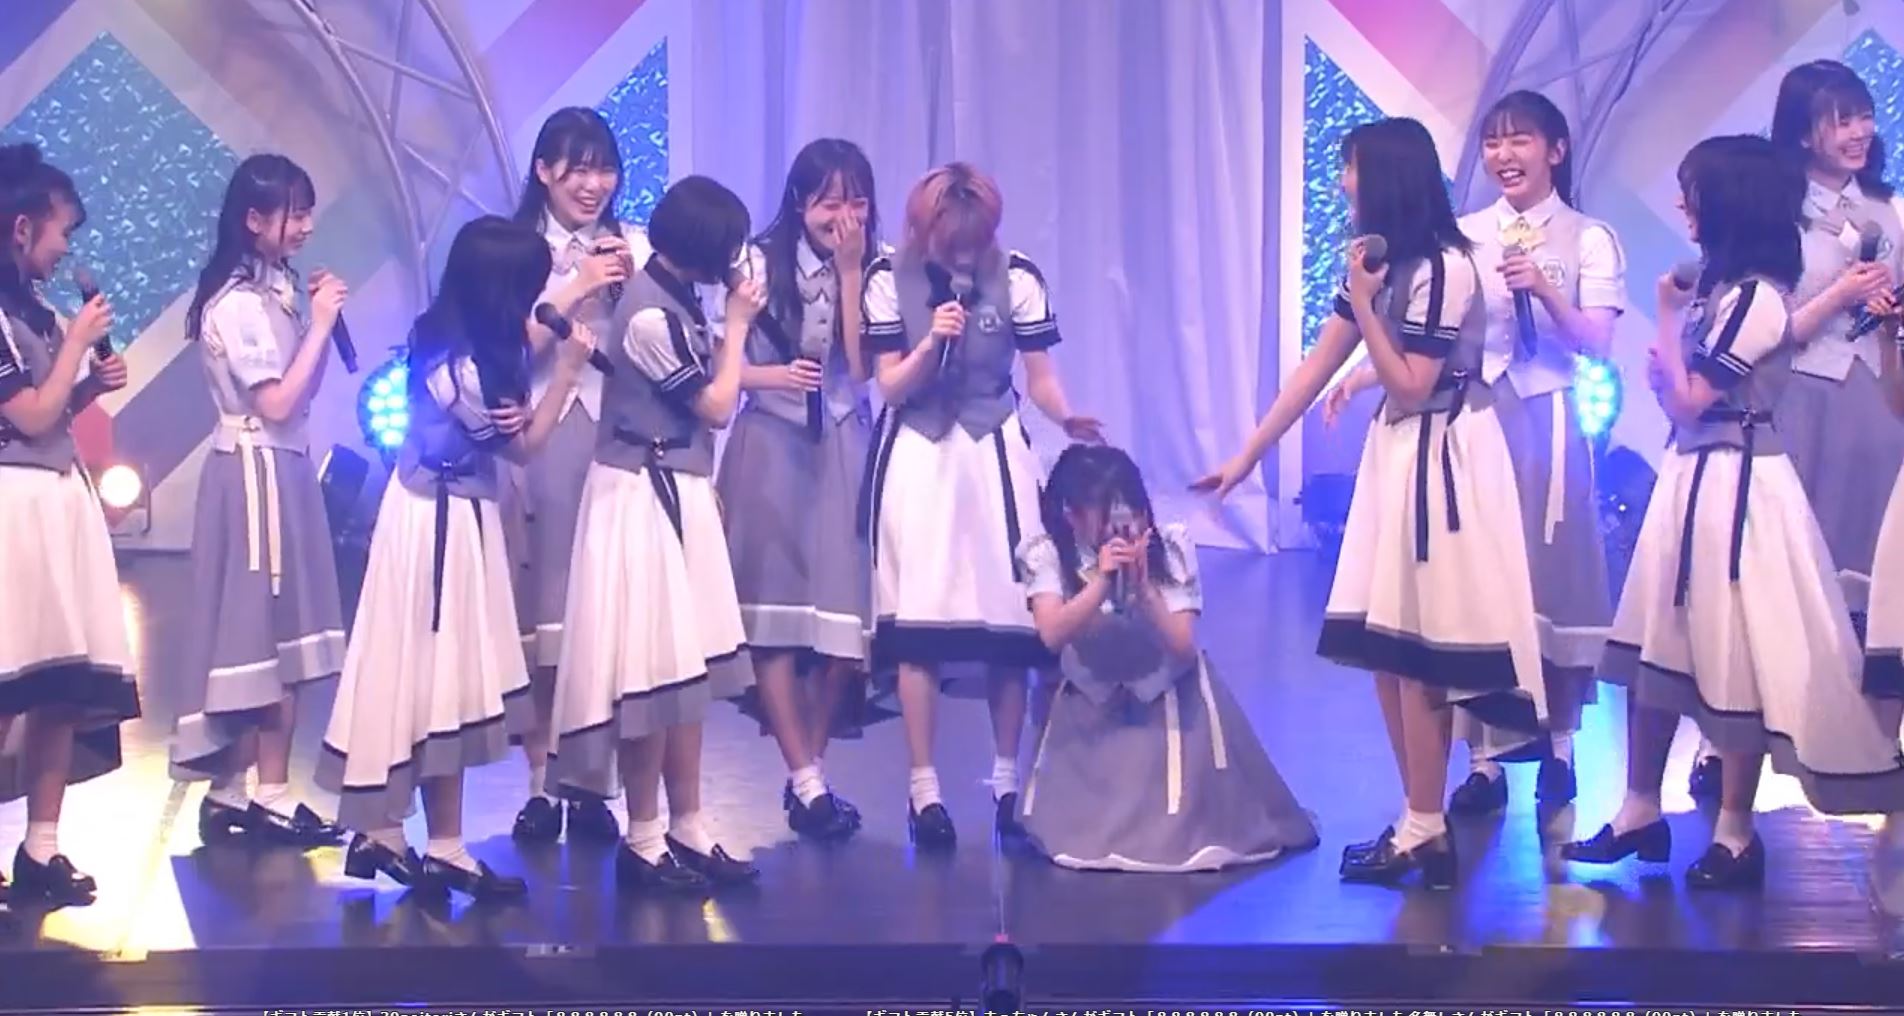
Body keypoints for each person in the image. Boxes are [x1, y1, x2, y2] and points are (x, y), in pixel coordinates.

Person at [1196, 117, 1545, 889]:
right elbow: (1319, 364)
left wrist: (1365, 304)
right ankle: (1421, 821)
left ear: (1384, 174)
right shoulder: (1377, 261)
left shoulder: (1445, 267)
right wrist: (1247, 455)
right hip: (1398, 453)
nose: (1343, 183)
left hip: (1443, 456)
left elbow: (1414, 382)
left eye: (1351, 168)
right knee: (1388, 649)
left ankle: (1425, 824)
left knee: (1423, 650)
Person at [1563, 135, 1904, 889]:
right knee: (1660, 643)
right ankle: (1640, 808)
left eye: (1692, 190)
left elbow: (1687, 397)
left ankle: (1735, 833)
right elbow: (1681, 399)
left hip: (1739, 482)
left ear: (1728, 201)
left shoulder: (1755, 299)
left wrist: (1663, 327)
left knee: (1735, 653)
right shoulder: (1725, 290)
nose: (1681, 204)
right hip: (1696, 474)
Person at [1329, 91, 1623, 812]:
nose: (1503, 156)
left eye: (1520, 140)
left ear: (1555, 150)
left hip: (1547, 419)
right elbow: (1428, 335)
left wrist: (1545, 292)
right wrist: (1360, 375)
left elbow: (1597, 342)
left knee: (1551, 583)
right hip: (1475, 421)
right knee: (1467, 593)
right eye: (1493, 142)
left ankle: (1560, 745)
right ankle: (1483, 761)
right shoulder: (1461, 237)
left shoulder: (1589, 237)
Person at [319, 216, 595, 901]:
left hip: (451, 515)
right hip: (435, 526)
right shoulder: (462, 366)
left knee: (436, 678)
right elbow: (523, 447)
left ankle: (418, 838)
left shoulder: (452, 336)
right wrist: (566, 373)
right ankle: (414, 838)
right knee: (431, 675)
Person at [862, 162, 1101, 848]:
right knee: (918, 625)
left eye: (976, 241)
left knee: (1010, 622)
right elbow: (890, 386)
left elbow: (1040, 376)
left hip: (994, 447)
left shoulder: (1017, 276)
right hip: (919, 451)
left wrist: (1066, 416)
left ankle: (1005, 782)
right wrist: (932, 341)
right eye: (953, 242)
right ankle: (924, 792)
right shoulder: (888, 278)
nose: (965, 255)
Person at [549, 176, 761, 894]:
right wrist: (739, 325)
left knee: (686, 674)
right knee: (650, 676)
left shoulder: (677, 297)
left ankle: (687, 824)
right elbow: (718, 405)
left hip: (675, 486)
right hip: (639, 497)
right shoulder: (647, 316)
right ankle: (643, 837)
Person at [1016, 444, 1317, 871]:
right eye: (1106, 511)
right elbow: (1051, 634)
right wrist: (1101, 582)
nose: (1122, 525)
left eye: (1131, 509)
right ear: (1073, 514)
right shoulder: (1047, 553)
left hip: (1169, 701)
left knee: (1178, 831)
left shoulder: (1170, 546)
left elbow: (1181, 644)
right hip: (1091, 708)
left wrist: (1144, 589)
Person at [175, 154, 348, 849]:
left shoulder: (275, 290)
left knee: (284, 637)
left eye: (308, 212)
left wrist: (320, 325)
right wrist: (321, 324)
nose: (304, 226)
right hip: (252, 475)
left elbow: (299, 394)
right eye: (292, 213)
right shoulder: (238, 303)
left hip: (284, 467)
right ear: (253, 219)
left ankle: (261, 793)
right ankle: (241, 792)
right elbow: (273, 402)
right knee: (255, 633)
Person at [716, 139, 885, 840]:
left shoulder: (878, 267)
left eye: (856, 201)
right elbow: (716, 363)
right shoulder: (754, 263)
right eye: (828, 201)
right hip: (771, 444)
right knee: (774, 621)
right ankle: (808, 781)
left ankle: (809, 769)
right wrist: (771, 376)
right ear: (798, 201)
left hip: (844, 441)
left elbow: (862, 368)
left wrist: (849, 272)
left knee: (846, 629)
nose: (843, 216)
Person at [0, 142, 140, 903]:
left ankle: (41, 848)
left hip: (61, 501)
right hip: (11, 511)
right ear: (21, 228)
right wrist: (77, 349)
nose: (66, 250)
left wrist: (88, 386)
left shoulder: (38, 309)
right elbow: (27, 414)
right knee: (7, 683)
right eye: (61, 232)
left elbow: (55, 411)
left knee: (57, 685)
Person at [508, 107, 640, 846]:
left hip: (617, 436)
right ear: (543, 171)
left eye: (604, 169)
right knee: (547, 615)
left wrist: (629, 285)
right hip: (543, 431)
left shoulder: (632, 247)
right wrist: (576, 284)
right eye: (578, 169)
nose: (593, 185)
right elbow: (507, 345)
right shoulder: (516, 249)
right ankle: (540, 782)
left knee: (609, 613)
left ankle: (593, 783)